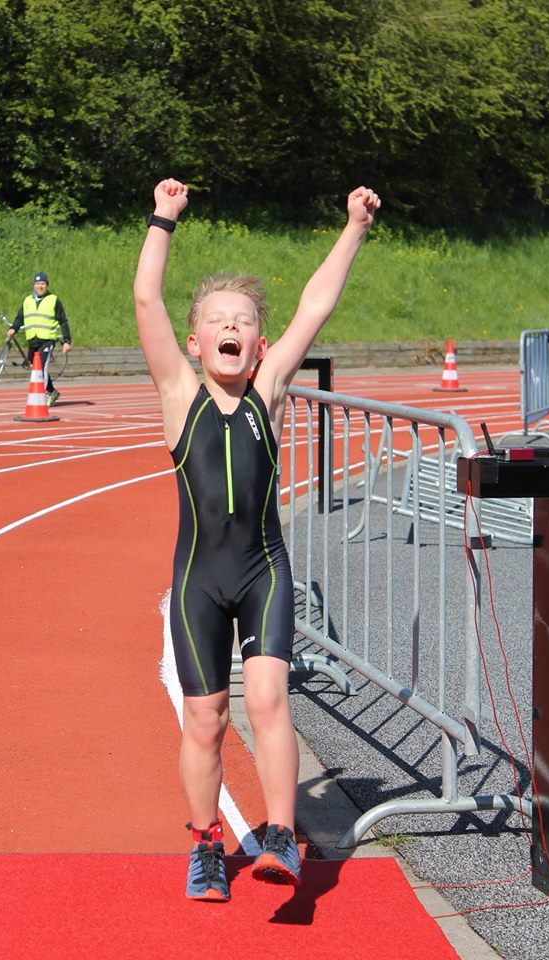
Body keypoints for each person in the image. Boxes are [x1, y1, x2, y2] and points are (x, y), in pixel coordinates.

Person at [134, 178, 380, 902]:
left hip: (264, 568)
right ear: (195, 339)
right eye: (217, 319)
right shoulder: (179, 393)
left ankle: (279, 836)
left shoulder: (269, 389)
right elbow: (148, 299)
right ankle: (207, 844)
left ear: (259, 343)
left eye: (242, 319)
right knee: (205, 718)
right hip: (197, 581)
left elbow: (316, 305)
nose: (231, 326)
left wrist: (354, 228)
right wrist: (163, 219)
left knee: (269, 697)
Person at [7, 272, 72, 406]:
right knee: (34, 368)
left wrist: (67, 341)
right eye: (37, 284)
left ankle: (46, 394)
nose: (40, 286)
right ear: (33, 285)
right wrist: (14, 328)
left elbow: (63, 321)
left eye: (42, 284)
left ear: (47, 285)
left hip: (47, 340)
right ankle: (52, 391)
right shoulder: (27, 300)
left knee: (41, 369)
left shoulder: (53, 300)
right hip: (33, 340)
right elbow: (20, 317)